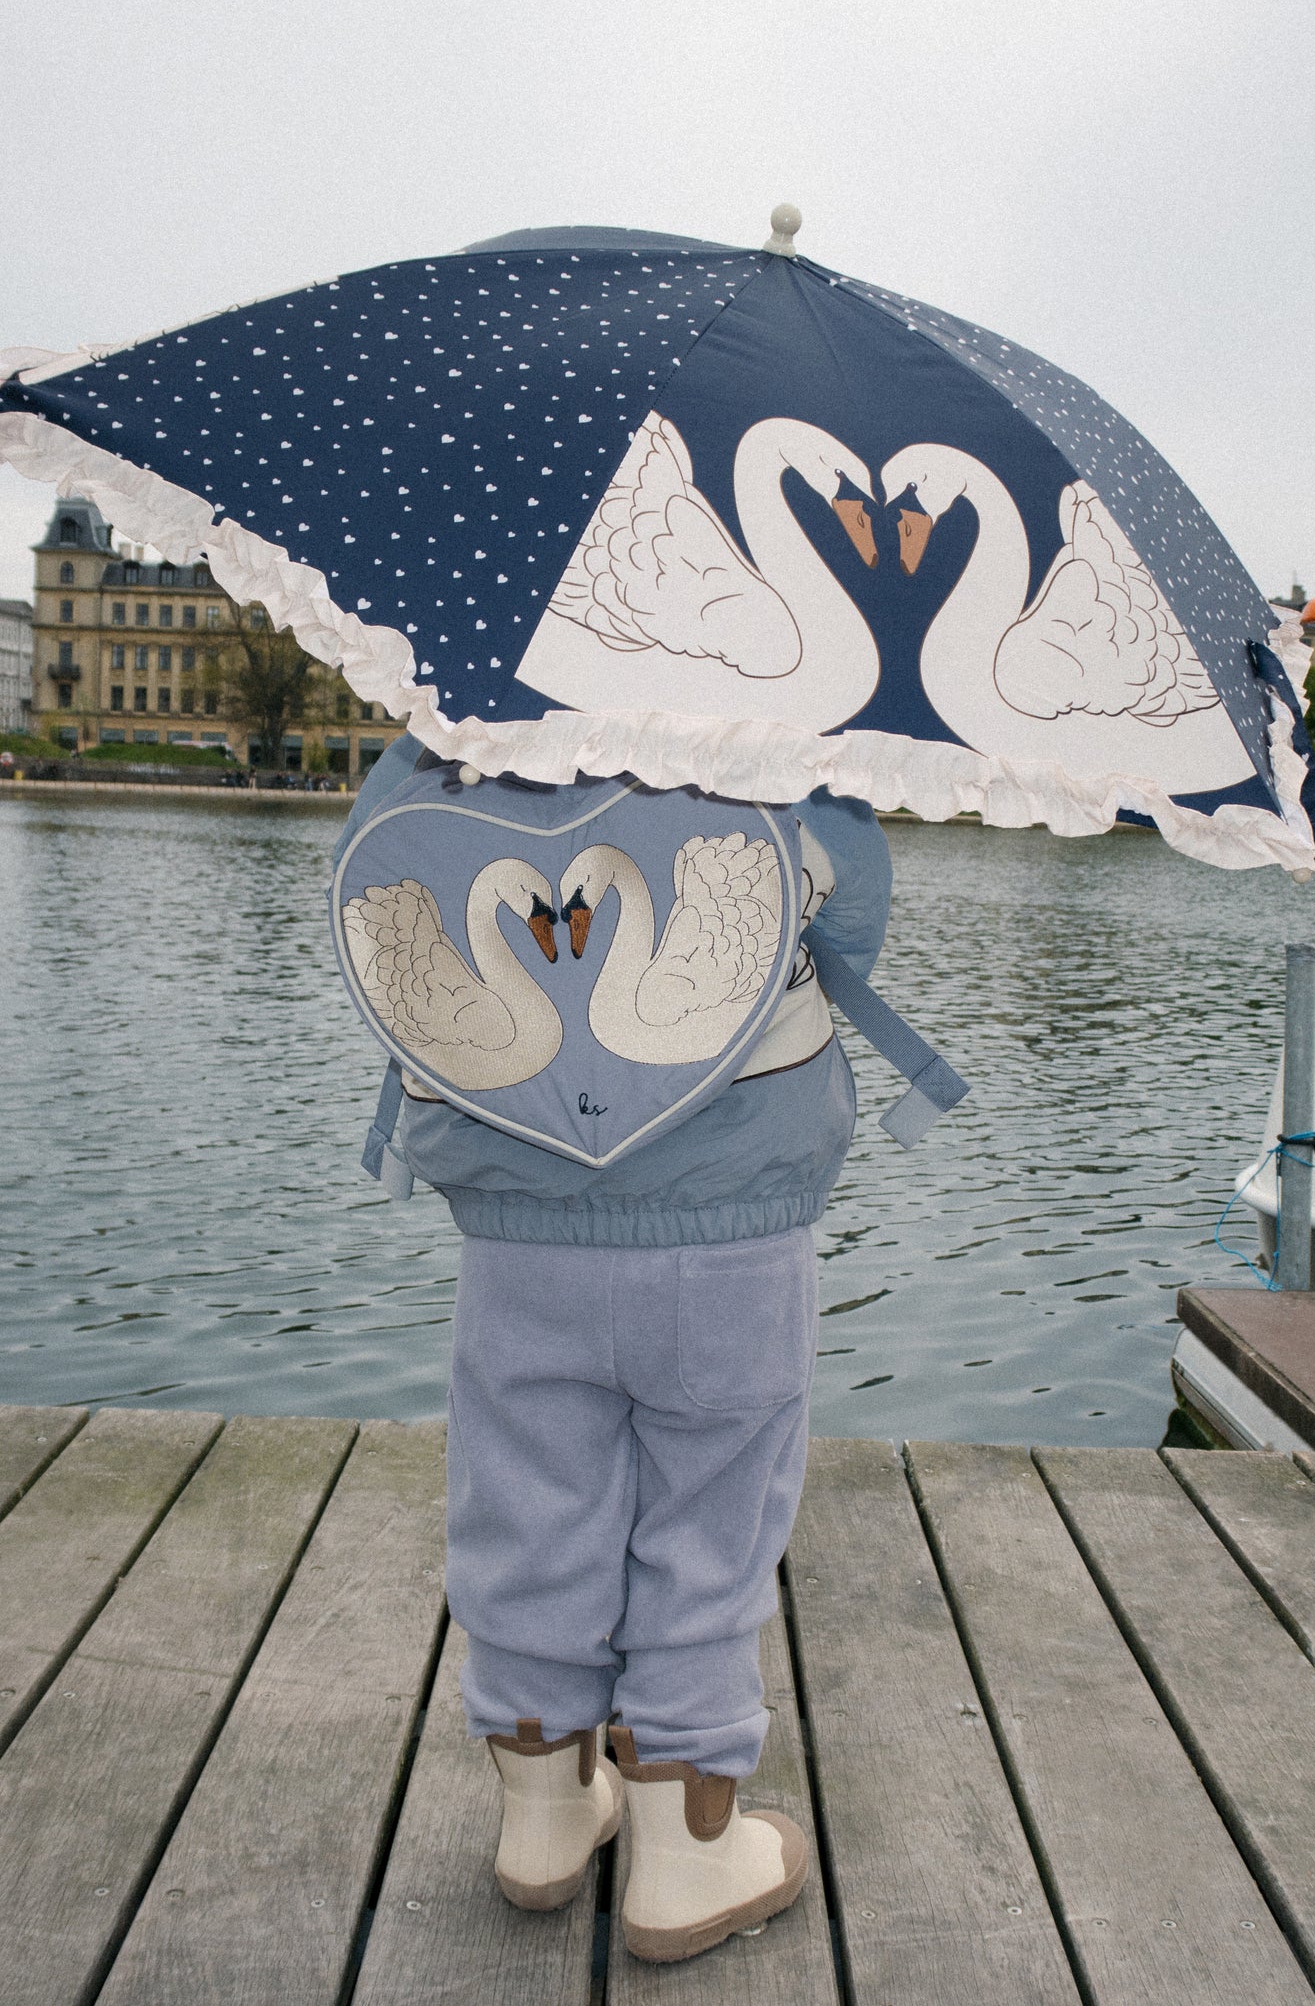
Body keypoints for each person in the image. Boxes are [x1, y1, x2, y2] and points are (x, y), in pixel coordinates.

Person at [335, 737, 891, 1963]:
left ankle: (540, 1813)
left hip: (516, 1236)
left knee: (527, 1495)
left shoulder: (442, 738)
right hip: (732, 1226)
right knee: (712, 1517)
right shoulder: (766, 736)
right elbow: (854, 924)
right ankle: (685, 1851)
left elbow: (377, 925)